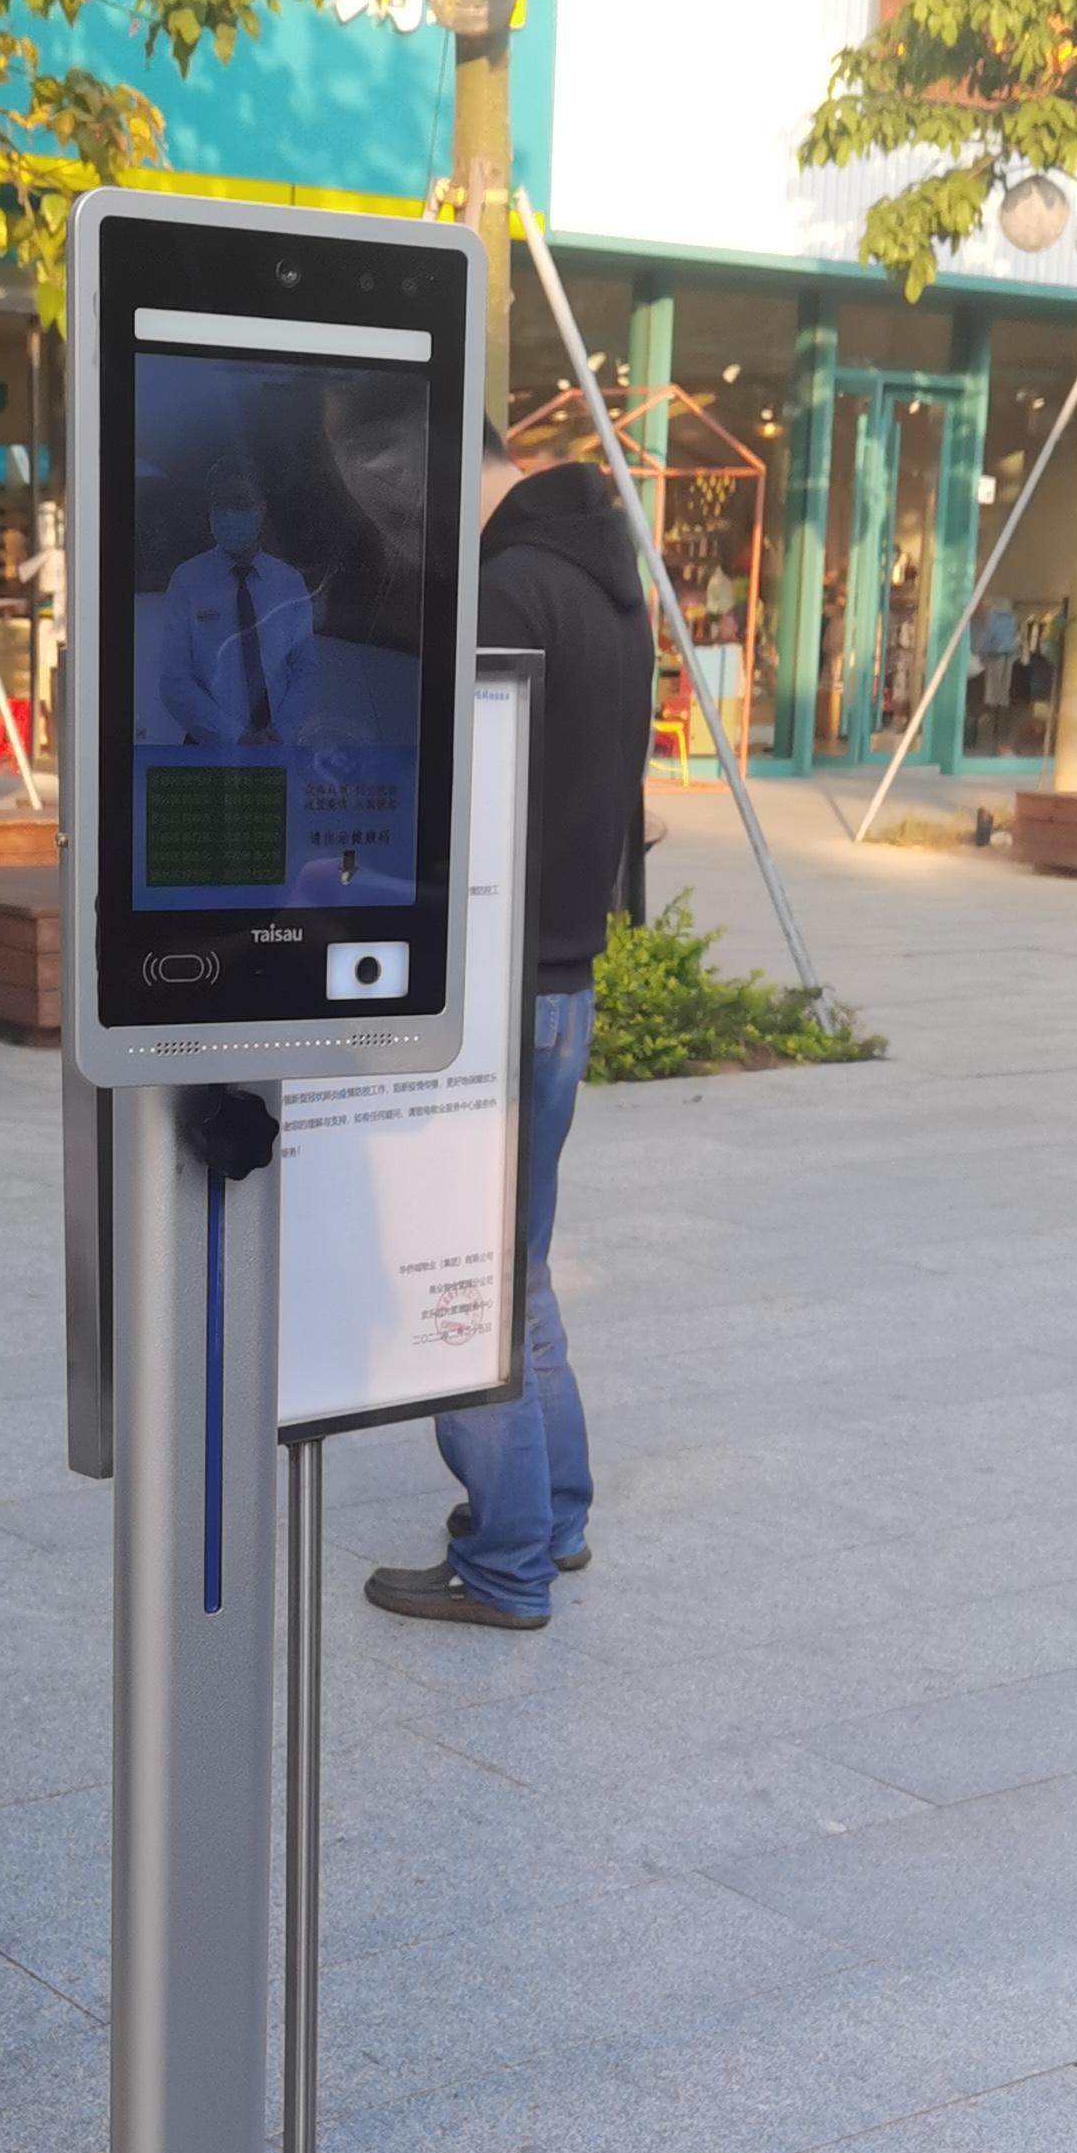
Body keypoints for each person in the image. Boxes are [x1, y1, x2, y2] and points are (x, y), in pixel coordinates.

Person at [366, 424, 650, 1631]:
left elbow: (454, 806)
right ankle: (558, 1516)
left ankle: (506, 1560)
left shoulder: (506, 592)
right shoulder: (608, 585)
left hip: (495, 992)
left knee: (462, 1284)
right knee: (517, 1266)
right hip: (564, 983)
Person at [159, 460, 317, 745]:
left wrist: (281, 732)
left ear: (261, 509)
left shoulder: (289, 583)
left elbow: (305, 669)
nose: (230, 513)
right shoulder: (187, 581)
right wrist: (234, 737)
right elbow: (175, 680)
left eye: (241, 502)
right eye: (220, 504)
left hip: (277, 748)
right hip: (209, 748)